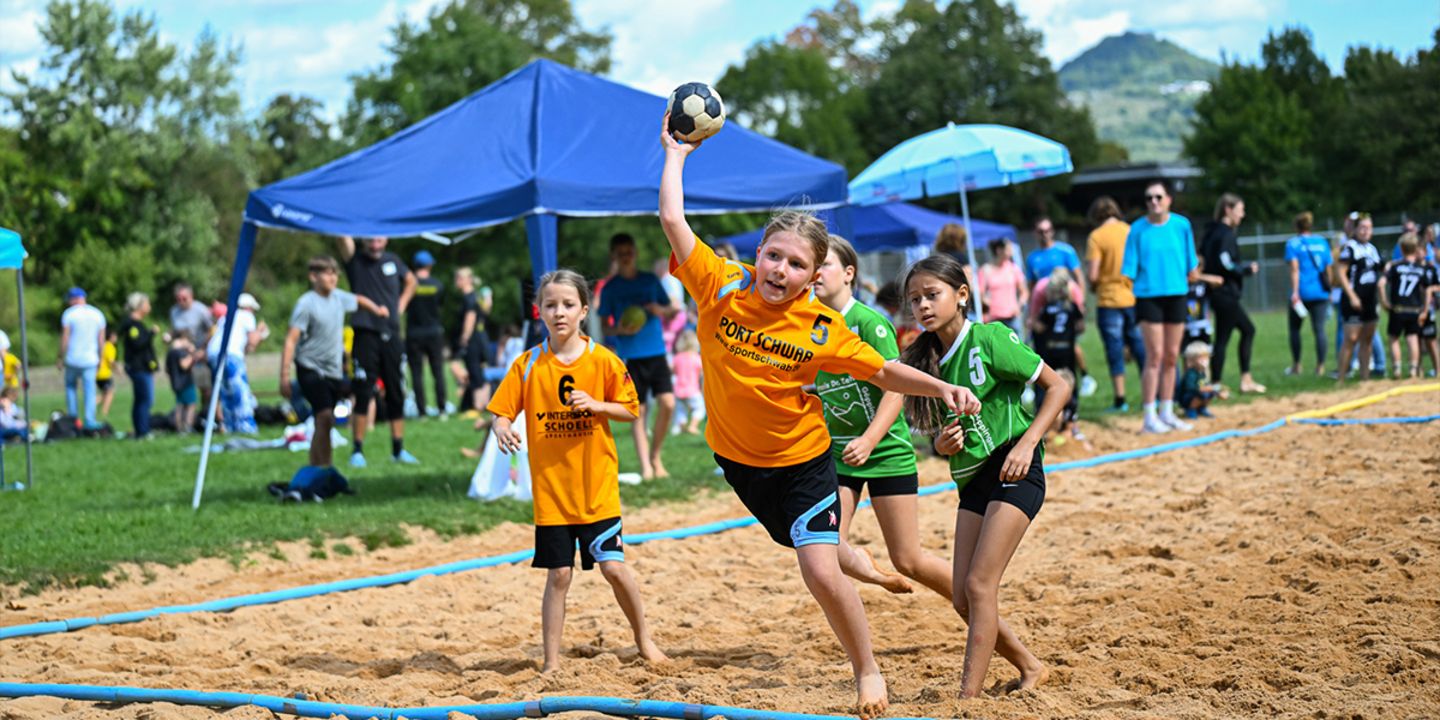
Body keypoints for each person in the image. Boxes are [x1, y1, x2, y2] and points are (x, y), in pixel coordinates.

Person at [661, 117, 981, 718]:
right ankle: (876, 574)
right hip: (739, 463)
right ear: (757, 253)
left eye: (796, 264)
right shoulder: (720, 287)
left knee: (820, 569)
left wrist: (942, 388)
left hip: (805, 460)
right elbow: (675, 222)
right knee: (827, 555)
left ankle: (868, 671)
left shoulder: (821, 328)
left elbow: (886, 373)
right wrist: (676, 154)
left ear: (814, 277)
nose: (779, 270)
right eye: (773, 256)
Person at [899, 252, 1065, 699]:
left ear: (962, 295)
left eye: (931, 295)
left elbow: (1059, 386)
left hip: (1015, 465)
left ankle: (967, 701)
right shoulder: (928, 360)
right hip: (973, 479)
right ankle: (1031, 666)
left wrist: (1029, 443)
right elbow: (942, 435)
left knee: (978, 584)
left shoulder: (989, 338)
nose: (923, 306)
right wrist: (941, 445)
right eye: (915, 300)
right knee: (961, 597)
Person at [487, 269, 668, 674]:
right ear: (540, 312)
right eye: (550, 305)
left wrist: (599, 406)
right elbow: (501, 411)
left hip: (596, 490)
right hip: (552, 495)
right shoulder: (528, 363)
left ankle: (644, 639)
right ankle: (551, 662)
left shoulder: (603, 360)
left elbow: (630, 408)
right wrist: (502, 429)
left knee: (614, 568)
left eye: (568, 304)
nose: (559, 312)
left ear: (584, 310)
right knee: (559, 576)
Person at [812, 233, 952, 598]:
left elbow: (895, 386)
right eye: (811, 265)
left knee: (908, 559)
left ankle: (973, 596)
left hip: (885, 452)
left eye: (823, 264)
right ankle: (872, 573)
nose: (815, 272)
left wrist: (870, 438)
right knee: (826, 546)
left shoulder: (869, 323)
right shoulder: (809, 326)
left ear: (848, 273)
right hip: (839, 456)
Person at [282, 256, 389, 470]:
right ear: (314, 277)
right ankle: (324, 468)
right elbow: (291, 339)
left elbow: (359, 300)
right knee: (324, 416)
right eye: (328, 273)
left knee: (324, 422)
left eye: (335, 273)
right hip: (310, 366)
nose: (333, 277)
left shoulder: (339, 298)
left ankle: (317, 467)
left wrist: (377, 310)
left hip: (333, 370)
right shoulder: (306, 304)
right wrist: (284, 375)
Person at [597, 233, 680, 480]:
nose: (626, 257)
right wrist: (619, 330)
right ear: (614, 256)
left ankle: (656, 455)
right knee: (638, 412)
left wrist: (661, 310)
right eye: (620, 253)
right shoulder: (611, 288)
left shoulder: (650, 280)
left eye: (629, 252)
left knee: (668, 403)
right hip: (631, 357)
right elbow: (604, 327)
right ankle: (646, 466)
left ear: (635, 253)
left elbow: (672, 312)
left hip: (656, 352)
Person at [1123, 181, 1198, 434]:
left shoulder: (1181, 225)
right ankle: (1149, 416)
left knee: (1171, 355)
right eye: (1148, 198)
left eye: (1158, 197)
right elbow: (1128, 271)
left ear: (1168, 199)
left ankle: (1167, 411)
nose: (1153, 202)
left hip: (1176, 294)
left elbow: (1192, 265)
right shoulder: (1137, 230)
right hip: (1148, 297)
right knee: (1153, 356)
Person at [338, 235, 418, 466]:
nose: (375, 245)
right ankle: (357, 451)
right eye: (371, 241)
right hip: (365, 333)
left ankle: (398, 450)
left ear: (386, 240)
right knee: (363, 391)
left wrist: (400, 306)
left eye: (379, 241)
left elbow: (411, 281)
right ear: (364, 241)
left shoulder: (394, 260)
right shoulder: (356, 261)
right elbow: (342, 238)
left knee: (395, 392)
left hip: (391, 334)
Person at [1200, 193, 1264, 393]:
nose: (1242, 215)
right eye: (1240, 210)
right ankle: (1238, 381)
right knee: (1242, 332)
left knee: (1228, 336)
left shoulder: (1210, 232)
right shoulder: (1226, 233)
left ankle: (1219, 382)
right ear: (1228, 209)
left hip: (1215, 293)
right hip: (1225, 293)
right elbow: (1225, 262)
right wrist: (1245, 269)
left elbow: (1202, 257)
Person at [1086, 196, 1145, 413]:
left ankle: (1121, 400)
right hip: (1133, 297)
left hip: (1108, 300)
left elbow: (1093, 274)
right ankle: (1153, 397)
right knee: (1141, 349)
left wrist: (1094, 286)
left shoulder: (1096, 237)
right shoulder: (1130, 230)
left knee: (1114, 351)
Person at [1030, 268, 1084, 426]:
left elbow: (1039, 327)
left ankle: (1043, 414)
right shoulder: (1072, 307)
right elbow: (1080, 326)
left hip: (1050, 349)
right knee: (1069, 380)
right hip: (1067, 350)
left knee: (1046, 382)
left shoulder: (1047, 308)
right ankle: (1071, 416)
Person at [206, 293, 266, 434]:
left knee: (225, 392)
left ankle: (230, 425)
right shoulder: (246, 316)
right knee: (240, 390)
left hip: (214, 354)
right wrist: (260, 333)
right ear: (249, 307)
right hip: (231, 354)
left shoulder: (226, 316)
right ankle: (246, 426)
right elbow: (251, 343)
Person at [1336, 214, 1384, 383]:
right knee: (1351, 338)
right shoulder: (1350, 248)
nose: (1365, 231)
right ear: (1355, 229)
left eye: (1368, 228)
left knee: (1368, 338)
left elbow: (1380, 270)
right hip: (1353, 299)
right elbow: (1341, 273)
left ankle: (1365, 378)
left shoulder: (1372, 249)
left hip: (1370, 299)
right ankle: (1341, 378)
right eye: (1362, 227)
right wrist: (1352, 296)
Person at [1285, 211, 1333, 376]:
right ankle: (1320, 366)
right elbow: (1328, 269)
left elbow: (1294, 269)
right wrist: (1330, 289)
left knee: (1294, 329)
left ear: (1296, 226)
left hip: (1302, 292)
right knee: (1319, 329)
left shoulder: (1293, 244)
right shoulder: (1322, 242)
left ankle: (1297, 365)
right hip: (1320, 291)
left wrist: (1295, 292)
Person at [1379, 233, 1433, 378]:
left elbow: (1381, 284)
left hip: (1398, 309)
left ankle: (1397, 369)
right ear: (1416, 249)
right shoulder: (1421, 268)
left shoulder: (1395, 267)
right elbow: (1427, 291)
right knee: (1413, 337)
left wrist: (1384, 302)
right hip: (1414, 309)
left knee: (1394, 338)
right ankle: (1413, 370)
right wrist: (1425, 310)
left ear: (1401, 249)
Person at [405, 250, 449, 418]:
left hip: (414, 333)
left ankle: (421, 412)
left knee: (417, 373)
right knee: (437, 371)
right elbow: (440, 305)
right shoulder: (437, 285)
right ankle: (442, 409)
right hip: (434, 332)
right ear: (430, 265)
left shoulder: (409, 285)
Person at [450, 267, 494, 421]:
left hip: (474, 339)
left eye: (459, 278)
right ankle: (484, 404)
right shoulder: (476, 296)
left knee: (474, 371)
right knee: (478, 372)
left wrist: (464, 337)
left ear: (467, 280)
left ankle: (477, 407)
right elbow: (486, 311)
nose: (457, 282)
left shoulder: (469, 298)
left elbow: (470, 318)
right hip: (481, 338)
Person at [58, 287, 106, 430]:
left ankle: (73, 419)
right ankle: (90, 420)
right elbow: (101, 340)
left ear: (73, 299)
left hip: (73, 358)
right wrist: (101, 358)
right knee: (90, 391)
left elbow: (65, 338)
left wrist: (60, 356)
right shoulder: (97, 314)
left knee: (71, 388)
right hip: (91, 359)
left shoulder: (69, 314)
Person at [118, 293, 160, 440]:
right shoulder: (132, 325)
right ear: (139, 306)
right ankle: (143, 431)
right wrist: (151, 333)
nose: (149, 307)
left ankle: (141, 430)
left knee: (141, 399)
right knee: (145, 399)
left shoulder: (137, 323)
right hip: (138, 368)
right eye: (147, 304)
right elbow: (138, 344)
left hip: (142, 367)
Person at [977, 237, 1029, 335]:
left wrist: (1019, 305)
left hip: (1012, 317)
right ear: (999, 250)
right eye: (1008, 249)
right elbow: (980, 294)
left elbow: (1024, 291)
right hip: (993, 318)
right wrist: (988, 303)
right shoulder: (985, 270)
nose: (1011, 252)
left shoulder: (1013, 268)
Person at [1024, 217, 1085, 298]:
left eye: (1047, 231)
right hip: (1043, 299)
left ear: (1052, 231)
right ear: (1035, 233)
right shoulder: (1032, 257)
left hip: (1065, 297)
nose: (1044, 235)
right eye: (1041, 232)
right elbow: (1031, 285)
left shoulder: (1066, 251)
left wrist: (1081, 300)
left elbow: (1078, 276)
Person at [1176, 341, 1228, 419]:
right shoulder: (1191, 373)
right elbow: (1192, 388)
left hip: (1197, 394)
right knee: (1203, 394)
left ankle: (1201, 408)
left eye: (1206, 356)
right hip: (1186, 398)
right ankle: (1191, 409)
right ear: (1192, 359)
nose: (1205, 360)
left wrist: (1219, 391)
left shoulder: (1202, 372)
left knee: (1210, 393)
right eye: (1201, 357)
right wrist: (1211, 388)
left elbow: (1207, 386)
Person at [670, 329, 704, 435]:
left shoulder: (677, 358)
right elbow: (701, 372)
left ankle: (682, 426)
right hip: (692, 390)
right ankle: (693, 426)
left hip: (678, 390)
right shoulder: (696, 358)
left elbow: (672, 370)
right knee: (700, 408)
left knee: (680, 410)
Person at [166, 332, 199, 433]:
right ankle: (187, 427)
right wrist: (193, 354)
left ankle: (179, 427)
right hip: (185, 383)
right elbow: (184, 365)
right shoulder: (180, 352)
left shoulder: (170, 351)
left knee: (179, 404)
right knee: (190, 404)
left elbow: (167, 369)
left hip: (175, 382)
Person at [96, 329, 117, 420]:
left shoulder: (102, 345)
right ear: (111, 337)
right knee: (110, 393)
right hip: (105, 374)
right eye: (115, 336)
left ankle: (90, 403)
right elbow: (111, 361)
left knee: (105, 394)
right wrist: (117, 369)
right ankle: (104, 412)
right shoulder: (110, 346)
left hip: (97, 374)